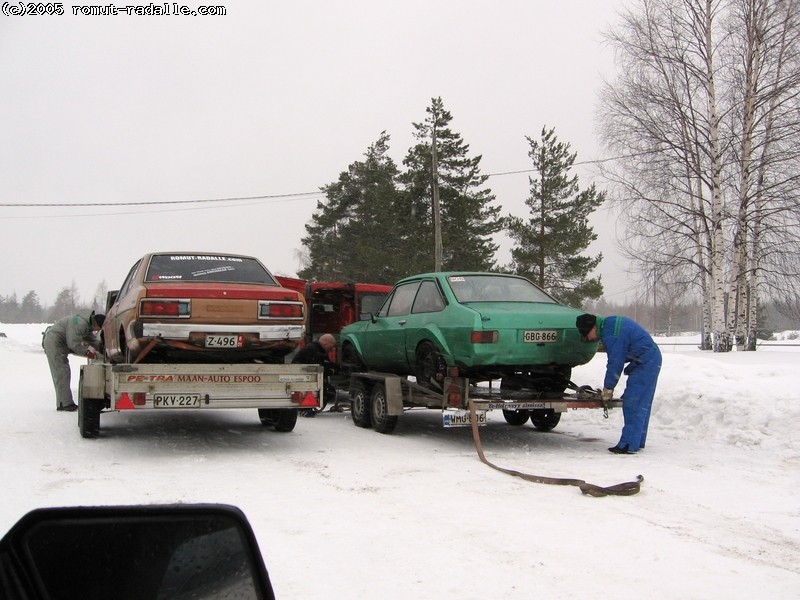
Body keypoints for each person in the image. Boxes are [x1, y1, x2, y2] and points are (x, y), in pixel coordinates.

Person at [576, 313, 662, 455]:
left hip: (645, 362)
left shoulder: (612, 334)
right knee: (641, 403)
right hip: (649, 359)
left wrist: (608, 389)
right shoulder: (609, 324)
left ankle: (628, 445)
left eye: (587, 335)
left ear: (592, 328)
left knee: (633, 402)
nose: (589, 339)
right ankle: (636, 441)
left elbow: (615, 363)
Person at [42, 310, 105, 412]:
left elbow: (91, 339)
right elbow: (73, 344)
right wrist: (87, 353)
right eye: (100, 328)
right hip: (54, 343)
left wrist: (101, 347)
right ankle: (64, 404)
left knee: (63, 372)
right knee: (61, 373)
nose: (98, 331)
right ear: (97, 324)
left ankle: (64, 402)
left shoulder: (85, 323)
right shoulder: (80, 324)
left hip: (58, 343)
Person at [291, 333, 337, 415]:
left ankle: (308, 406)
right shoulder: (313, 350)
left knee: (330, 391)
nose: (332, 348)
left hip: (307, 377)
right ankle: (306, 407)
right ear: (325, 343)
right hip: (302, 378)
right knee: (326, 391)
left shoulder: (319, 350)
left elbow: (325, 364)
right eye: (332, 345)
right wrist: (330, 371)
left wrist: (336, 368)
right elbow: (316, 368)